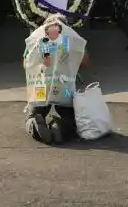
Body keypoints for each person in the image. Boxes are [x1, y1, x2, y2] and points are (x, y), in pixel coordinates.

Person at [23, 14, 90, 144]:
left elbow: (26, 63)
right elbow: (85, 63)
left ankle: (35, 122)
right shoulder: (72, 37)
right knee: (69, 117)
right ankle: (60, 126)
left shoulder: (37, 36)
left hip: (41, 85)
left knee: (34, 113)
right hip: (64, 86)